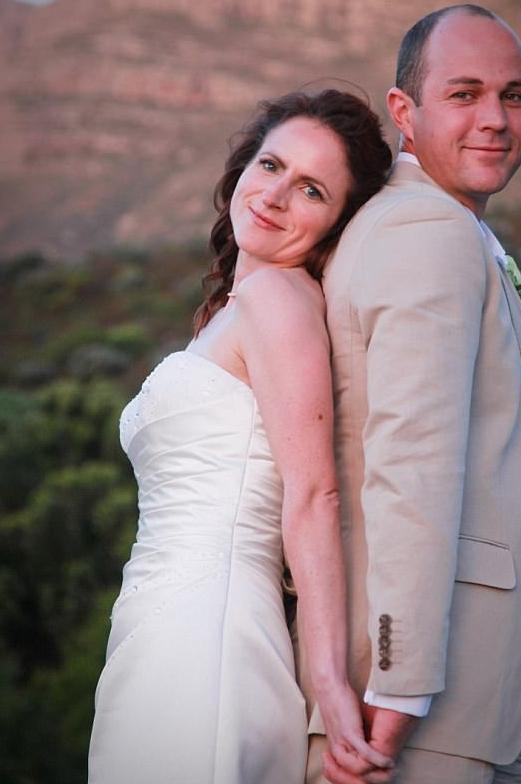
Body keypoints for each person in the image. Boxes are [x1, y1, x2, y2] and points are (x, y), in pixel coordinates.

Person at [301, 6, 521, 784]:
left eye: (513, 95)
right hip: (426, 718)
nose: (495, 119)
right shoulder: (427, 232)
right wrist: (399, 691)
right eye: (464, 94)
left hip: (467, 708)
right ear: (403, 112)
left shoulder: (421, 225)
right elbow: (410, 465)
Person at [87, 89, 394, 784]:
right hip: (164, 619)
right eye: (271, 165)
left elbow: (313, 494)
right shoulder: (236, 307)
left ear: (335, 224)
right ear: (244, 167)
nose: (275, 196)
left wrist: (330, 685)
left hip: (211, 631)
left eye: (311, 190)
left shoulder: (278, 298)